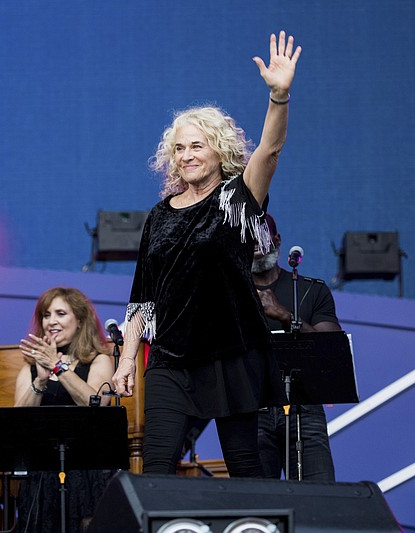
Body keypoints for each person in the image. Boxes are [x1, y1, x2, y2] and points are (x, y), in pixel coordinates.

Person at [112, 30, 302, 477]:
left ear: (220, 150)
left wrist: (279, 96)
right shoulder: (158, 215)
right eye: (179, 149)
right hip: (170, 359)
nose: (186, 155)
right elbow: (143, 296)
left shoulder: (236, 199)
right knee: (156, 465)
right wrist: (125, 360)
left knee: (244, 464)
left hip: (231, 353)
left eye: (196, 145)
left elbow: (270, 151)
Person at [13, 287, 115, 533]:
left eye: (60, 313)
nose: (51, 322)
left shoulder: (99, 359)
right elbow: (17, 422)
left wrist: (57, 366)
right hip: (43, 469)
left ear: (80, 321)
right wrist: (40, 381)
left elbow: (95, 403)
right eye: (46, 315)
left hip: (87, 467)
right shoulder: (30, 368)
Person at [253, 213, 338, 481]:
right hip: (251, 412)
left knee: (318, 500)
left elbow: (331, 354)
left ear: (276, 240)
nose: (254, 242)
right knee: (256, 509)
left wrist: (285, 315)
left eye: (261, 235)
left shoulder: (311, 291)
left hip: (304, 410)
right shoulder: (228, 295)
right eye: (246, 237)